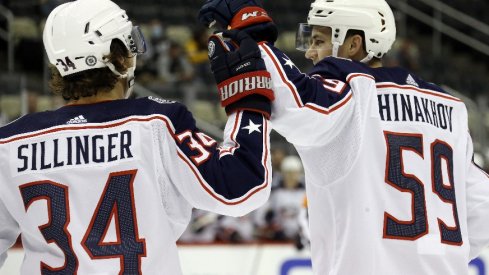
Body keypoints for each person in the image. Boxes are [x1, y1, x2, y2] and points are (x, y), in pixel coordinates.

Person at [199, 0, 489, 274]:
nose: (310, 53)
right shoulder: (452, 109)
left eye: (319, 41)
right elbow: (482, 211)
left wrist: (252, 37)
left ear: (353, 44)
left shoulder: (355, 89)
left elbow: (296, 103)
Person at [0, 0, 274, 274]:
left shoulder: (9, 143)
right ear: (118, 57)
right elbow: (242, 188)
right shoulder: (158, 122)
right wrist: (248, 95)